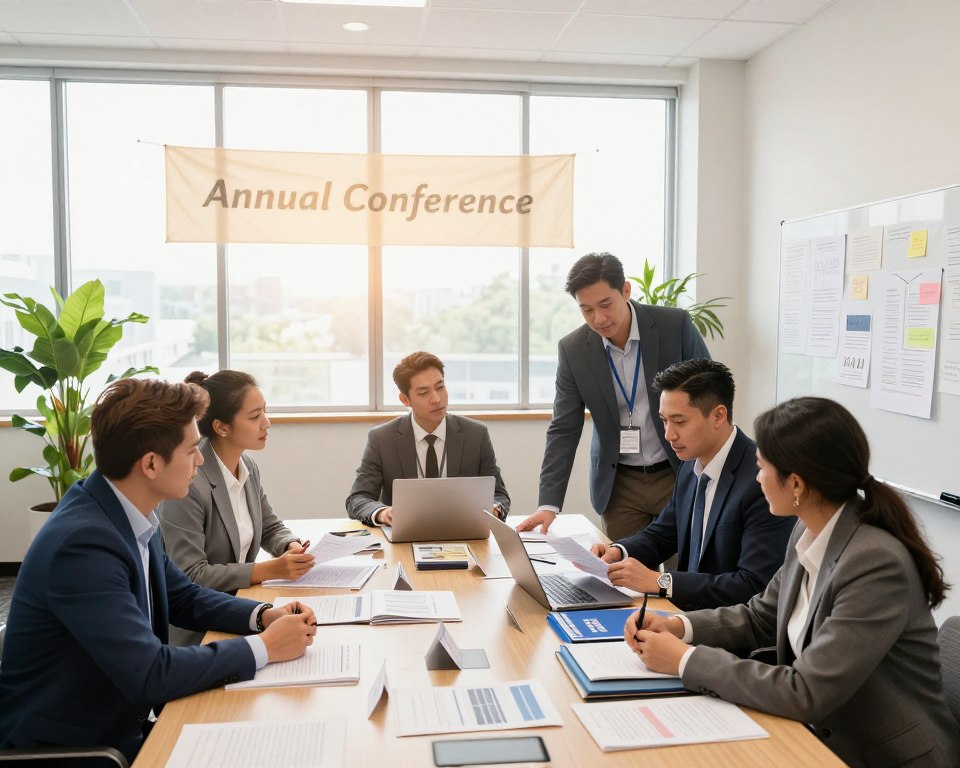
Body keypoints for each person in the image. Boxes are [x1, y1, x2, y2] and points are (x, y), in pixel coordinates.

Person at [626, 397, 959, 768]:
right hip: (813, 738)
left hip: (882, 756)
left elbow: (806, 690)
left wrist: (686, 659)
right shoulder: (810, 529)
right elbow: (760, 617)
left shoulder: (875, 564)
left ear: (796, 483)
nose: (757, 479)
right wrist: (679, 626)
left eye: (762, 468)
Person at [0, 378, 317, 764]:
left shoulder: (125, 509)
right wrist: (265, 647)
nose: (200, 460)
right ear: (150, 463)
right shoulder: (82, 546)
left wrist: (263, 615)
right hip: (78, 748)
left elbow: (181, 595)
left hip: (123, 722)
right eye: (190, 450)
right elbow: (151, 672)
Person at [518, 252, 710, 540]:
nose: (599, 319)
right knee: (622, 575)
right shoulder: (574, 350)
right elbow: (564, 429)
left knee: (679, 577)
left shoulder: (674, 326)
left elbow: (711, 391)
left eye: (606, 304)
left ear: (626, 290)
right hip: (620, 484)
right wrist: (548, 504)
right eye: (587, 310)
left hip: (677, 472)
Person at [590, 359, 794, 610]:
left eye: (679, 421)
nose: (668, 434)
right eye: (664, 420)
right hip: (684, 616)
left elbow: (753, 585)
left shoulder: (762, 481)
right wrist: (619, 551)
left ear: (718, 415)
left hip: (727, 628)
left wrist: (660, 581)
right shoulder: (690, 466)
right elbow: (662, 535)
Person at [159, 370, 314, 644]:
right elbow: (192, 575)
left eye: (265, 411)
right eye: (255, 417)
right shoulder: (189, 483)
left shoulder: (248, 467)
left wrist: (289, 545)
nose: (266, 423)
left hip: (243, 607)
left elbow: (270, 526)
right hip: (199, 629)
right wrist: (270, 570)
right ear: (221, 427)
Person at [347, 351, 510, 526]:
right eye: (423, 393)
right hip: (405, 534)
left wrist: (494, 508)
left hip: (463, 533)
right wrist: (383, 513)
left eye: (440, 387)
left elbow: (499, 495)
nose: (436, 399)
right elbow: (358, 498)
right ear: (405, 400)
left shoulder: (476, 435)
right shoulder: (382, 439)